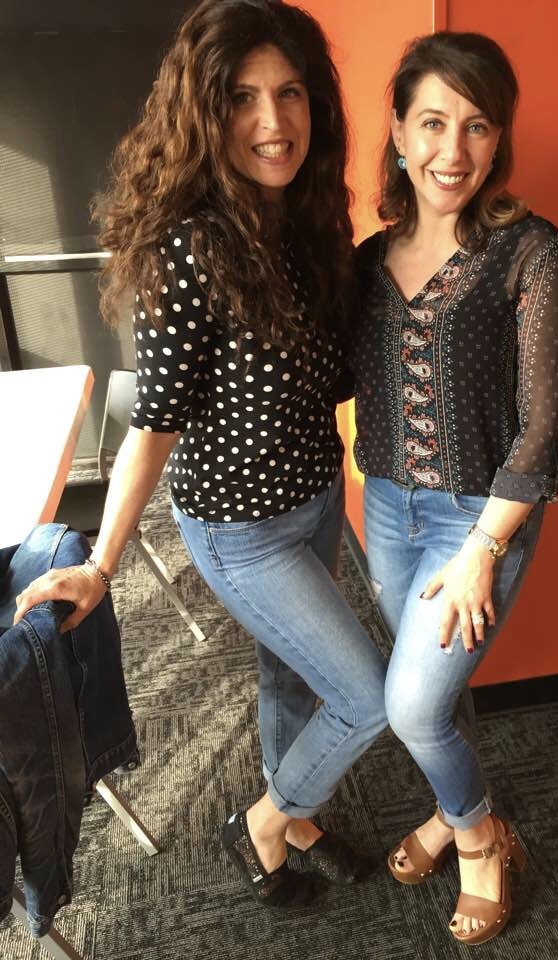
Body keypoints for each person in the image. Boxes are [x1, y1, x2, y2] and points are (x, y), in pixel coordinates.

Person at [14, 0, 388, 910]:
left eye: (289, 93)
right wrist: (102, 563)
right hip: (238, 527)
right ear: (203, 115)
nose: (273, 121)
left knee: (289, 673)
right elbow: (155, 424)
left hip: (311, 493)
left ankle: (297, 820)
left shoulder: (304, 222)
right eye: (243, 99)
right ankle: (264, 822)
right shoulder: (189, 249)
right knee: (368, 695)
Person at [352, 31, 558, 945]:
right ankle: (448, 814)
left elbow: (544, 426)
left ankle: (481, 838)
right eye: (432, 123)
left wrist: (485, 549)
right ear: (398, 132)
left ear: (498, 139)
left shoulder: (530, 252)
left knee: (411, 704)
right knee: (437, 697)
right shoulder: (366, 261)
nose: (453, 150)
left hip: (479, 520)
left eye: (477, 125)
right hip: (385, 508)